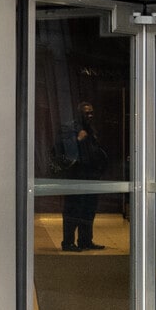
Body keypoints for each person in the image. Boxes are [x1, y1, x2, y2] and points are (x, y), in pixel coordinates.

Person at [58, 100, 107, 250]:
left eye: (91, 113)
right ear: (79, 114)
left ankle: (85, 240)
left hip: (91, 175)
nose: (90, 116)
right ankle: (68, 242)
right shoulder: (69, 128)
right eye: (87, 113)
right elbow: (60, 148)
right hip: (76, 175)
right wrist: (77, 139)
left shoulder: (91, 129)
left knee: (88, 209)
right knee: (73, 210)